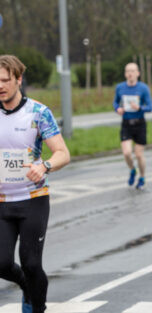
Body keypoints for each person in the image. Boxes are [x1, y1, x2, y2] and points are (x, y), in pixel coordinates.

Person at [0, 55, 70, 313]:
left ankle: (36, 306)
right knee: (2, 263)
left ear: (19, 80)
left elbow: (63, 153)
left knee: (30, 263)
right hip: (2, 202)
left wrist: (45, 166)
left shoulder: (39, 113)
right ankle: (26, 286)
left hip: (33, 199)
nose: (0, 86)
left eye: (6, 80)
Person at [113, 62, 152, 189]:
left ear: (138, 73)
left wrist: (139, 107)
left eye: (133, 71)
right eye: (128, 71)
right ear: (125, 74)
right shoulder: (120, 87)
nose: (130, 74)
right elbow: (115, 103)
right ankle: (132, 170)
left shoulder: (143, 88)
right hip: (126, 124)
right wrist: (117, 109)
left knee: (139, 155)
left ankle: (142, 176)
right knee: (126, 153)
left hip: (140, 124)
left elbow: (150, 107)